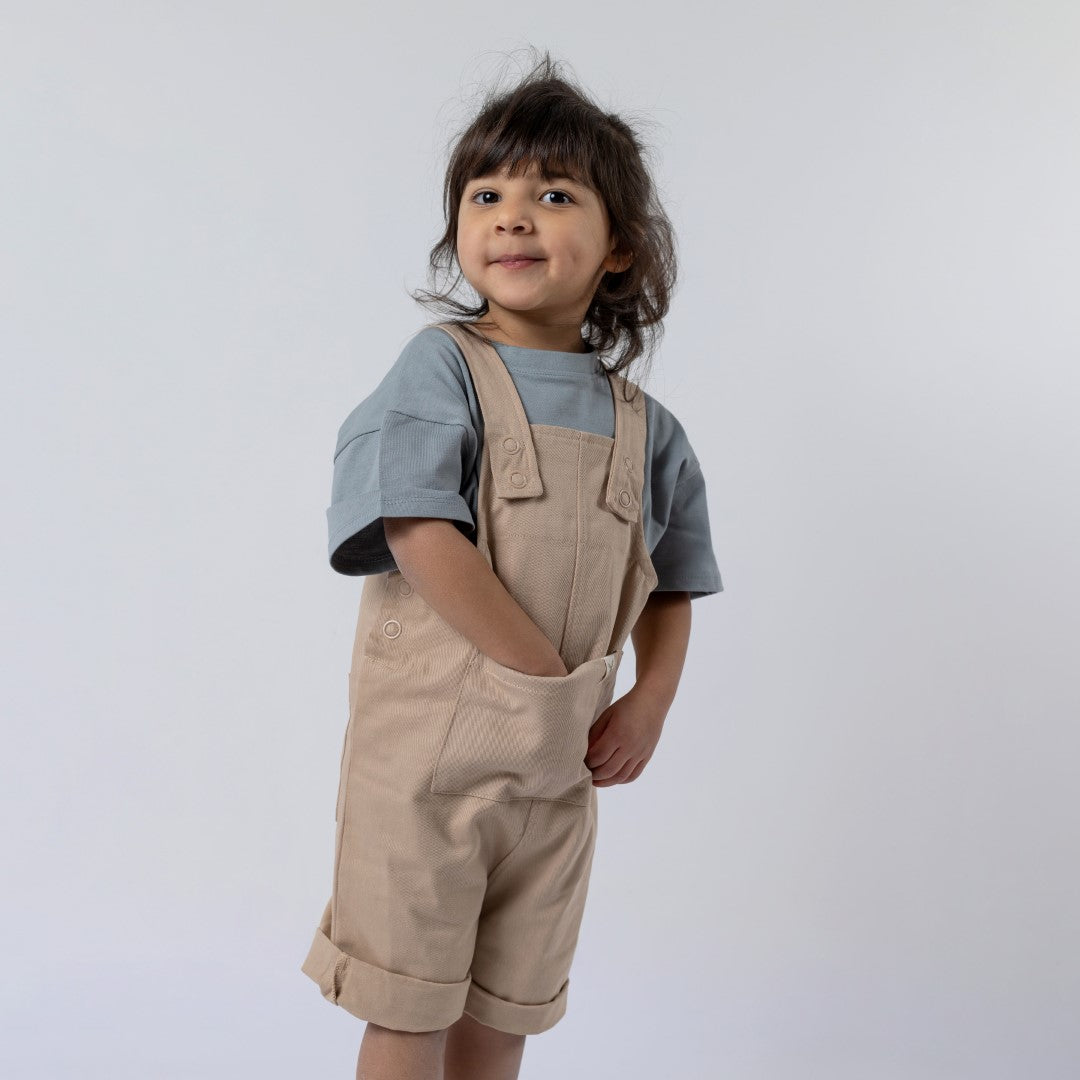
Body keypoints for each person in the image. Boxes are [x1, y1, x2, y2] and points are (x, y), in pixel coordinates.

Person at [301, 50, 724, 1080]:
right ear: (458, 231)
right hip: (427, 772)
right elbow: (418, 531)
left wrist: (649, 703)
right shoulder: (441, 368)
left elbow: (674, 583)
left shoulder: (648, 429)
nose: (513, 215)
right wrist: (541, 677)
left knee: (503, 1017)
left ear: (619, 249)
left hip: (558, 777)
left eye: (554, 193)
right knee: (409, 1006)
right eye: (486, 193)